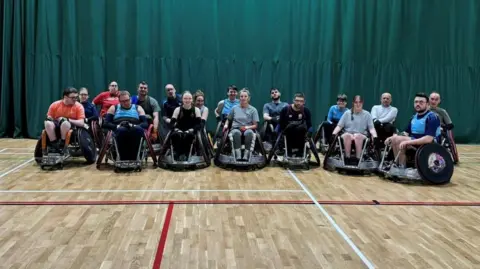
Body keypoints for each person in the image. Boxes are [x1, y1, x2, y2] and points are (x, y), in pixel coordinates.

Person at [385, 92, 441, 168]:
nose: (418, 104)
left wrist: (408, 142)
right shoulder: (414, 117)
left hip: (430, 145)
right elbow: (406, 133)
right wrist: (392, 138)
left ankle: (401, 167)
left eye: (421, 102)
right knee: (395, 139)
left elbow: (429, 139)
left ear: (427, 104)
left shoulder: (432, 117)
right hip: (416, 142)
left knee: (399, 140)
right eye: (416, 102)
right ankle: (398, 165)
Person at [332, 95, 377, 164]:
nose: (358, 104)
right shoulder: (347, 113)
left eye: (360, 102)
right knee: (347, 135)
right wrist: (334, 134)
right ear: (353, 103)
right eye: (356, 102)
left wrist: (374, 136)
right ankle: (347, 158)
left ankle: (358, 158)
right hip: (348, 134)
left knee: (357, 136)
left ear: (362, 103)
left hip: (361, 135)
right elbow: (339, 126)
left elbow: (371, 128)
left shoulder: (367, 114)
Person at [103, 91, 148, 160]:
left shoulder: (138, 108)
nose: (125, 103)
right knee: (121, 130)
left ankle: (135, 157)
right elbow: (106, 123)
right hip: (119, 128)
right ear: (119, 101)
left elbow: (145, 123)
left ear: (130, 99)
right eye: (122, 101)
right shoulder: (113, 108)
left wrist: (133, 125)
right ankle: (122, 158)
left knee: (138, 130)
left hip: (134, 128)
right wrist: (116, 126)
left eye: (127, 100)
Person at [44, 87, 86, 152]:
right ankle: (54, 145)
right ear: (65, 97)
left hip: (71, 128)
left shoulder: (79, 106)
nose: (75, 99)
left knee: (65, 123)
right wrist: (49, 119)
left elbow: (81, 123)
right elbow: (49, 117)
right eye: (73, 98)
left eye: (76, 97)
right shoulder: (54, 105)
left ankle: (62, 143)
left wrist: (67, 119)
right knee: (47, 123)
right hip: (56, 127)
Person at [223, 88, 259, 161]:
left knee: (249, 133)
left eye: (245, 96)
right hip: (235, 128)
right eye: (241, 96)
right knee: (236, 133)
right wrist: (226, 125)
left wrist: (246, 127)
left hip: (248, 128)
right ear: (239, 98)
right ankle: (238, 155)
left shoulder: (253, 110)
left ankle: (246, 155)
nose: (243, 98)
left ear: (248, 98)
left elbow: (255, 125)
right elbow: (228, 119)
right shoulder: (234, 108)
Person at [170, 91, 202, 160]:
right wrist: (176, 129)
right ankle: (177, 153)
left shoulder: (196, 110)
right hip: (179, 130)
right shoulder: (177, 109)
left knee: (189, 136)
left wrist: (192, 129)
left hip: (191, 130)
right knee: (175, 135)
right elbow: (172, 123)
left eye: (189, 98)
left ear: (192, 100)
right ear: (182, 99)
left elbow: (199, 124)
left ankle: (188, 154)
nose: (187, 100)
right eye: (185, 98)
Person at [278, 92, 313, 157]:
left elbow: (309, 125)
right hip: (288, 132)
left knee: (301, 128)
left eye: (301, 101)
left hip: (301, 133)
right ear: (293, 100)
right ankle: (289, 151)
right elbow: (281, 124)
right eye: (297, 101)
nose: (299, 103)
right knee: (290, 127)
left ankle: (301, 151)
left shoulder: (306, 111)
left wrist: (309, 134)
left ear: (304, 102)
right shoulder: (285, 110)